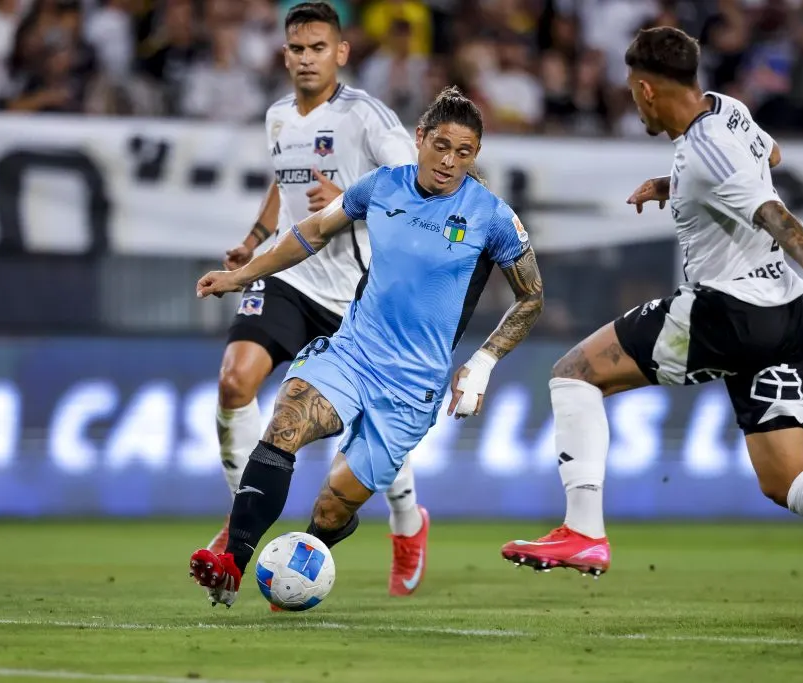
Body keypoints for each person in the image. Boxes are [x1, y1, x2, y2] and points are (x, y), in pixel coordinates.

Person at [500, 27, 803, 629]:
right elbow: (772, 159)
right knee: (786, 478)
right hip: (785, 320)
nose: (635, 106)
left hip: (728, 312)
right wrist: (677, 186)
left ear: (647, 89)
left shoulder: (707, 150)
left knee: (573, 375)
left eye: (635, 96)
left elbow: (772, 210)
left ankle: (583, 530)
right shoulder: (729, 112)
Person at [189, 86, 544, 608]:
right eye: (440, 145)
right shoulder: (381, 186)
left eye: (464, 152)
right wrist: (243, 274)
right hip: (352, 354)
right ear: (419, 138)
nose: (449, 161)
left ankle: (306, 558)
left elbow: (531, 297)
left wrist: (483, 364)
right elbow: (311, 231)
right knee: (286, 421)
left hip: (412, 388)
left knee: (333, 509)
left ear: (476, 155)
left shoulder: (491, 216)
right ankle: (232, 561)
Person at [207, 2, 428, 598]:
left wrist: (353, 194)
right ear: (285, 55)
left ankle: (408, 521)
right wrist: (254, 241)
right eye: (297, 49)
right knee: (235, 382)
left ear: (341, 53)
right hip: (288, 276)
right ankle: (238, 525)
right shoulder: (278, 116)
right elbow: (286, 187)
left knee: (374, 433)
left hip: (354, 293)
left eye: (317, 48)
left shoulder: (368, 118)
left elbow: (417, 189)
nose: (306, 59)